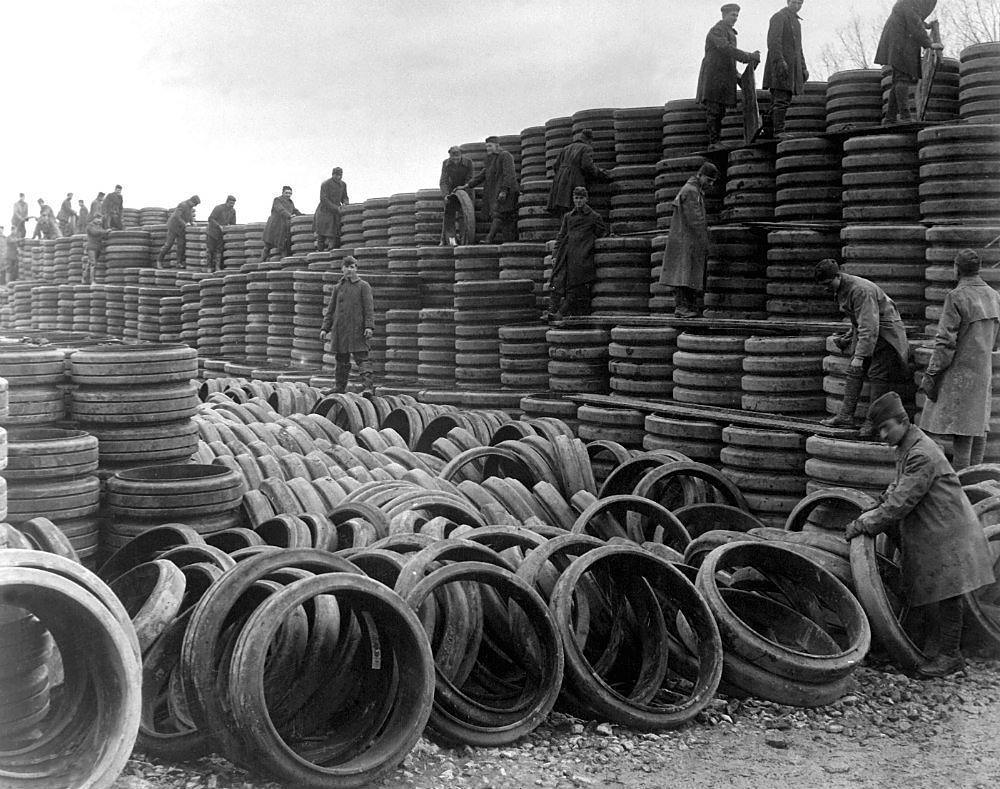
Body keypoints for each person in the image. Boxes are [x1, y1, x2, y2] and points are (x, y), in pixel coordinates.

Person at [845, 390, 995, 678]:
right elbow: (898, 488)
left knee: (950, 593)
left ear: (902, 421)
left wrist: (865, 523)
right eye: (879, 429)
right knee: (933, 589)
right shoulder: (908, 445)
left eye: (886, 428)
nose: (882, 435)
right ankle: (935, 646)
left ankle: (950, 656)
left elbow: (901, 502)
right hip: (936, 528)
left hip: (950, 531)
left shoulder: (920, 453)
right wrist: (880, 502)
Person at [919, 250, 1000, 470]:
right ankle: (978, 486)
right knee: (977, 429)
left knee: (961, 436)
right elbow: (995, 342)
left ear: (957, 269)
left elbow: (945, 342)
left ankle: (962, 491)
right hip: (982, 372)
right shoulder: (994, 295)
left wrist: (932, 373)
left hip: (958, 373)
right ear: (978, 268)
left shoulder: (956, 296)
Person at [816, 259, 911, 437]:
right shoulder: (843, 287)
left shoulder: (860, 290)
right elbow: (859, 320)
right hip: (870, 333)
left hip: (885, 336)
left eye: (828, 284)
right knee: (854, 371)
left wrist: (860, 356)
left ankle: (872, 422)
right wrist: (849, 337)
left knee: (876, 375)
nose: (826, 289)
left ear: (838, 276)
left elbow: (870, 326)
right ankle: (845, 416)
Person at [659, 162, 719, 318]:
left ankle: (687, 307)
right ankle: (682, 308)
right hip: (686, 240)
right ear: (700, 175)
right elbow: (696, 220)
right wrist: (705, 242)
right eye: (709, 180)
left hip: (686, 239)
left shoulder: (693, 190)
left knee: (687, 274)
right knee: (684, 275)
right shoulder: (692, 192)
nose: (710, 185)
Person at [697, 4, 761, 148]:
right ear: (724, 15)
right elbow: (726, 49)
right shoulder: (717, 30)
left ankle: (716, 140)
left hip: (724, 77)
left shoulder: (730, 32)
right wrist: (748, 56)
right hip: (713, 77)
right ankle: (714, 142)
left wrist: (741, 78)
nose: (735, 18)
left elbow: (730, 59)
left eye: (737, 16)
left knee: (720, 111)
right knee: (714, 110)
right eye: (733, 15)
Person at [875, 0, 944, 124]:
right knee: (902, 79)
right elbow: (913, 23)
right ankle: (905, 116)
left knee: (898, 80)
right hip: (900, 44)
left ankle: (890, 118)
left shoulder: (909, 3)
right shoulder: (909, 2)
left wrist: (925, 25)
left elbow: (913, 18)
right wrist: (929, 44)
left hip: (899, 42)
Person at [546, 187, 608, 320]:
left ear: (586, 199)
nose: (578, 201)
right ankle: (550, 311)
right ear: (573, 199)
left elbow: (602, 233)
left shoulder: (594, 217)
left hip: (582, 255)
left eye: (581, 198)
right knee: (557, 281)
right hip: (566, 255)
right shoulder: (568, 217)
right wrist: (555, 255)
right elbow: (561, 236)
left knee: (574, 285)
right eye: (576, 198)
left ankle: (560, 313)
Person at [320, 256, 375, 395]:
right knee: (341, 360)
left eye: (353, 267)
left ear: (356, 269)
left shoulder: (363, 286)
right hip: (341, 330)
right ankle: (339, 387)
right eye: (347, 267)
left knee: (362, 358)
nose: (350, 270)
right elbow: (331, 310)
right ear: (342, 269)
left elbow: (369, 309)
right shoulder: (338, 287)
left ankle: (368, 387)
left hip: (357, 329)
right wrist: (324, 328)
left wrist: (369, 326)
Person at [763, 0, 809, 137]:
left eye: (800, 3)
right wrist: (779, 61)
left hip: (792, 67)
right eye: (794, 2)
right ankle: (778, 131)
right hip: (780, 66)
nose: (797, 6)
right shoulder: (779, 17)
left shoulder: (796, 22)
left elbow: (798, 48)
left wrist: (803, 67)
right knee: (781, 99)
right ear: (788, 2)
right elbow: (773, 42)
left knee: (784, 99)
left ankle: (769, 131)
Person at [461, 136, 519, 243]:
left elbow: (509, 174)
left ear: (497, 146)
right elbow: (482, 175)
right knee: (504, 218)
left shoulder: (505, 156)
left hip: (507, 192)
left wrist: (504, 190)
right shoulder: (490, 159)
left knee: (499, 214)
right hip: (497, 192)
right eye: (486, 146)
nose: (488, 148)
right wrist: (467, 186)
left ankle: (489, 238)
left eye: (490, 146)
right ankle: (508, 243)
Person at [546, 129, 611, 217]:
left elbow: (555, 165)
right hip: (575, 180)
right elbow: (587, 166)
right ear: (589, 140)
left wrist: (562, 176)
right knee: (576, 207)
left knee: (564, 209)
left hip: (560, 181)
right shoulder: (586, 148)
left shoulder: (566, 148)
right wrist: (600, 173)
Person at [439, 146, 475, 244]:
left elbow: (470, 178)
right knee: (448, 214)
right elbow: (443, 181)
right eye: (453, 158)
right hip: (452, 191)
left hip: (466, 190)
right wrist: (446, 195)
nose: (455, 160)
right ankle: (446, 239)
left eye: (457, 158)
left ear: (461, 155)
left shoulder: (468, 163)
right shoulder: (446, 164)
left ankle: (465, 239)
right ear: (450, 156)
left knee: (464, 215)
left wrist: (463, 189)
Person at [157, 195, 200, 266]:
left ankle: (178, 263)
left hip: (181, 229)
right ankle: (159, 261)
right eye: (194, 204)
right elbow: (177, 216)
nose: (195, 206)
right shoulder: (183, 205)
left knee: (181, 245)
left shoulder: (190, 207)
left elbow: (190, 216)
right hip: (173, 227)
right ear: (191, 201)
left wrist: (192, 222)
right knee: (168, 244)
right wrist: (185, 224)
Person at [261, 186, 301, 261]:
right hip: (274, 225)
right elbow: (280, 209)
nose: (288, 195)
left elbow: (295, 211)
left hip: (283, 226)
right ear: (282, 193)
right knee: (268, 245)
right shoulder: (277, 200)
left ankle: (284, 263)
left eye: (290, 193)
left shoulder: (290, 202)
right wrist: (289, 215)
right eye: (286, 193)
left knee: (283, 244)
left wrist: (304, 216)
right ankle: (261, 262)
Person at [314, 168, 349, 251]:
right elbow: (324, 199)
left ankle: (331, 251)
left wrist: (345, 204)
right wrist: (336, 208)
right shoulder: (326, 184)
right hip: (324, 211)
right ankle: (320, 253)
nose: (338, 177)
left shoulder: (343, 184)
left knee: (334, 234)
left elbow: (345, 197)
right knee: (321, 234)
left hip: (336, 212)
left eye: (340, 175)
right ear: (333, 174)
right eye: (336, 175)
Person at [206, 195, 236, 272]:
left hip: (221, 234)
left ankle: (217, 267)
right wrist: (218, 225)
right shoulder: (218, 208)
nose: (232, 205)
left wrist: (230, 228)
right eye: (230, 203)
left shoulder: (232, 211)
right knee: (210, 250)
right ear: (227, 202)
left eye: (233, 203)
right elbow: (211, 218)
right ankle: (209, 267)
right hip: (212, 232)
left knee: (219, 250)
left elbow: (233, 223)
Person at [84, 213, 110, 284]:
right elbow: (94, 232)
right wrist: (105, 231)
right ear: (94, 218)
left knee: (90, 263)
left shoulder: (99, 227)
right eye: (98, 219)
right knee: (93, 263)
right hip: (91, 247)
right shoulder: (90, 225)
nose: (99, 220)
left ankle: (85, 278)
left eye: (100, 219)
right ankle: (92, 281)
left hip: (98, 247)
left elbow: (102, 235)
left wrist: (107, 233)